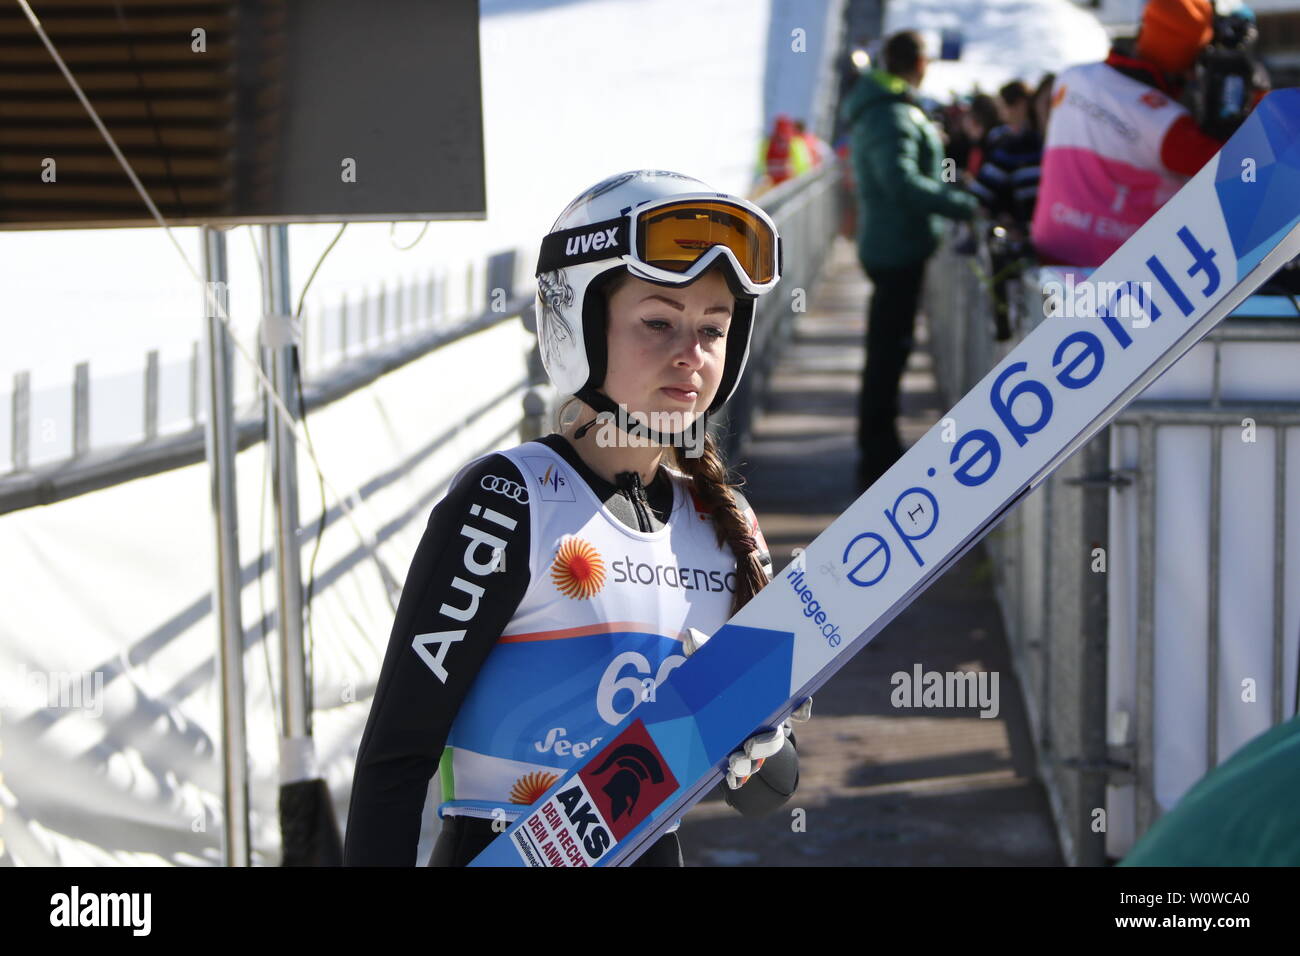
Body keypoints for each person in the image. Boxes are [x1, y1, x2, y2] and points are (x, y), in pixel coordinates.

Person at [343, 169, 806, 867]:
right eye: (658, 322)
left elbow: (767, 796)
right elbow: (395, 756)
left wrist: (754, 735)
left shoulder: (724, 524)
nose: (692, 355)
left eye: (713, 329)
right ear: (580, 326)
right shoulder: (510, 501)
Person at [840, 30, 979, 488]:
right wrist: (963, 204)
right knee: (888, 352)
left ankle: (879, 447)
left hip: (892, 243)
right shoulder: (892, 113)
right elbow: (901, 183)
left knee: (889, 349)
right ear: (917, 63)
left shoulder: (886, 107)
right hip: (896, 247)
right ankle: (877, 453)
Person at [1030, 0, 1228, 268]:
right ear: (1190, 57)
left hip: (1048, 258)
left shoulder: (1072, 79)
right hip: (1118, 282)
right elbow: (1238, 169)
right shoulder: (1167, 125)